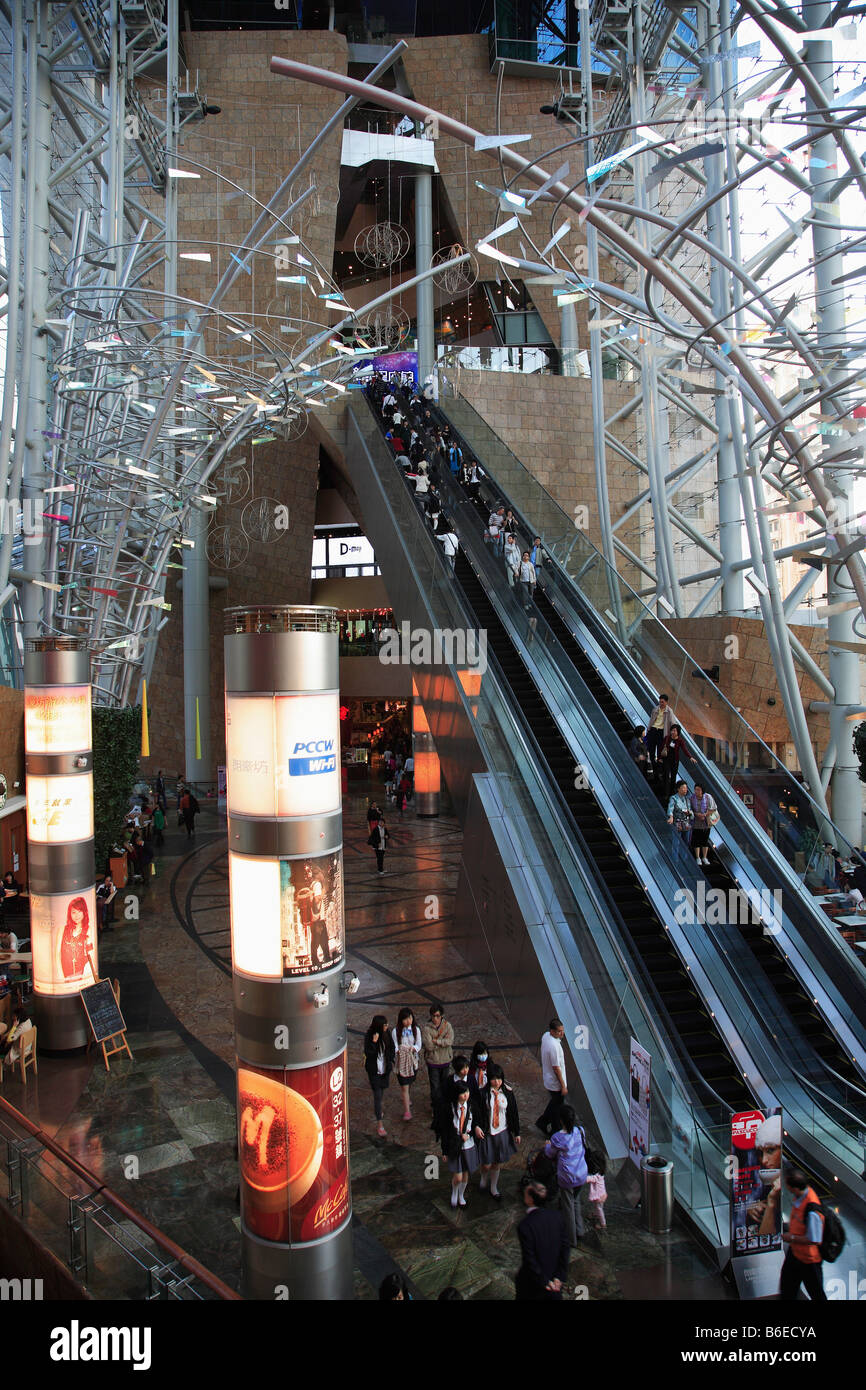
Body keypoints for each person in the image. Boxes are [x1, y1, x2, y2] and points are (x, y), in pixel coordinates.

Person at [775, 1167, 827, 1302]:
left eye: (788, 1185)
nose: (786, 1188)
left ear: (795, 1188)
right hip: (795, 1254)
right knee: (787, 1287)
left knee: (817, 1294)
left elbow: (814, 1239)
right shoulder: (801, 1196)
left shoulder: (812, 1209)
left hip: (809, 1260)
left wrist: (790, 1237)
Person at [433, 1075, 484, 1209]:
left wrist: (475, 1130)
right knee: (458, 1176)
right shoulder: (449, 1109)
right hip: (455, 1145)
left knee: (465, 1174)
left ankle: (461, 1195)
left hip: (469, 1145)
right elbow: (445, 1130)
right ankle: (455, 1192)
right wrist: (444, 1150)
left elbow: (477, 1122)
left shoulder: (472, 1106)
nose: (465, 1095)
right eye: (462, 1093)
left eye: (467, 1092)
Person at [514, 1180, 570, 1301]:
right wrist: (559, 1276)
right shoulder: (558, 1217)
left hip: (532, 1285)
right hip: (555, 1280)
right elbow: (565, 1248)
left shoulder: (525, 1226)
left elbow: (529, 1259)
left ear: (530, 1200)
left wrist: (544, 1281)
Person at [544, 1105, 588, 1246]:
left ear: (561, 1120)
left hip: (568, 1177)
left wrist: (547, 1145)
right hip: (582, 1173)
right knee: (576, 1201)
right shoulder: (580, 1131)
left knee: (567, 1205)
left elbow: (550, 1153)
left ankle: (571, 1239)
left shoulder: (558, 1138)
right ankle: (580, 1230)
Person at [478, 1063, 521, 1199]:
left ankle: (493, 1187)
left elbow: (513, 1112)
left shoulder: (507, 1092)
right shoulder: (483, 1094)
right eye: (494, 1079)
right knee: (486, 1163)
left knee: (497, 1162)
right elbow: (478, 1113)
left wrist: (517, 1132)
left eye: (499, 1079)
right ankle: (483, 1178)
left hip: (502, 1131)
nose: (496, 1082)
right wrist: (477, 1127)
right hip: (488, 1132)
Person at [364, 1014, 395, 1138]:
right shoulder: (370, 1036)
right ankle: (380, 1124)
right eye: (384, 1025)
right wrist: (374, 1042)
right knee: (377, 1095)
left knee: (381, 1092)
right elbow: (368, 1053)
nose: (387, 1026)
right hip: (374, 1071)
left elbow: (392, 1048)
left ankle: (379, 1110)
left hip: (385, 1070)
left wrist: (391, 1061)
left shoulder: (387, 1034)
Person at [536, 1018, 568, 1136]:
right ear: (552, 1031)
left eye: (562, 1030)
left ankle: (543, 1122)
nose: (562, 1033)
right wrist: (563, 1085)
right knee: (557, 1107)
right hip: (555, 1083)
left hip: (549, 1078)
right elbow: (556, 1068)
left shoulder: (546, 1036)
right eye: (559, 1031)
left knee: (555, 1103)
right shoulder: (554, 1046)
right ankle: (553, 1128)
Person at [392, 1007, 423, 1121]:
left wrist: (412, 1048)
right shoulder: (396, 1031)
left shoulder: (416, 1030)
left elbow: (419, 1045)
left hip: (413, 1061)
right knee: (404, 1086)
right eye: (405, 1019)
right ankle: (407, 1111)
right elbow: (394, 1046)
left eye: (409, 1018)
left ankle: (407, 1096)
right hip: (401, 1063)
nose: (408, 1021)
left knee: (410, 1081)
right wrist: (400, 1050)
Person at [422, 1003, 454, 1109]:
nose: (435, 1018)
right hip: (433, 1062)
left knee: (444, 1084)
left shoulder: (447, 1026)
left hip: (445, 1060)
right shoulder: (427, 1028)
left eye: (437, 1016)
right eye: (433, 1016)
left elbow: (449, 1041)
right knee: (435, 1086)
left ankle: (444, 1106)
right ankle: (436, 1107)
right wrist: (442, 1043)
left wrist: (437, 1041)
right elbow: (429, 1046)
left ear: (441, 1016)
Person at [60, 897, 93, 982]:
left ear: (84, 912)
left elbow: (91, 954)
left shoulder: (88, 930)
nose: (77, 916)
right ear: (70, 914)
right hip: (66, 974)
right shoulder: (64, 930)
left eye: (79, 912)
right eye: (74, 912)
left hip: (82, 974)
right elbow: (58, 953)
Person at [689, 782, 717, 865]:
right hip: (696, 822)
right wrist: (697, 814)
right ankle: (698, 858)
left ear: (702, 791)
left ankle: (704, 857)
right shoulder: (691, 798)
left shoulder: (708, 797)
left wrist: (705, 815)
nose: (696, 791)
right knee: (696, 840)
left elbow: (713, 808)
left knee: (705, 840)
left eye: (698, 790)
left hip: (706, 821)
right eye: (695, 789)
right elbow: (689, 809)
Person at [646, 693, 674, 773]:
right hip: (653, 730)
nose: (661, 703)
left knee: (660, 751)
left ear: (666, 702)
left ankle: (658, 769)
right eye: (660, 702)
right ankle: (653, 765)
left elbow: (672, 722)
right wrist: (649, 729)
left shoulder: (669, 711)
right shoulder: (655, 709)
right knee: (651, 749)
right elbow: (652, 719)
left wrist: (672, 734)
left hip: (662, 732)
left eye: (662, 702)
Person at [584, 1145, 608, 1230]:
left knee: (599, 1208)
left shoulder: (597, 1176)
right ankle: (595, 1214)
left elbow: (588, 1179)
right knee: (597, 1207)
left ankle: (603, 1224)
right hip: (602, 1194)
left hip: (599, 1196)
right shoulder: (601, 1172)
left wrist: (581, 1176)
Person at [659, 722, 685, 796]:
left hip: (675, 761)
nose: (673, 732)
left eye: (675, 731)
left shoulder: (680, 740)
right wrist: (660, 758)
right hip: (666, 759)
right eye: (672, 730)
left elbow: (684, 749)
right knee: (666, 775)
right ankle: (666, 793)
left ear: (678, 732)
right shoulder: (667, 738)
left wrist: (690, 757)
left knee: (673, 777)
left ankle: (672, 792)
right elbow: (661, 747)